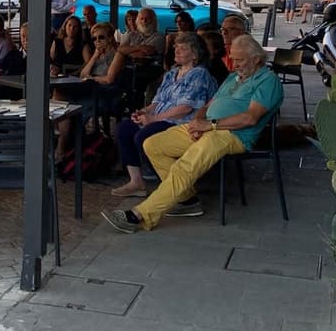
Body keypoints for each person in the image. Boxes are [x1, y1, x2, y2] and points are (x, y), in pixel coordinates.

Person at [101, 35, 282, 232]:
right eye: (233, 58)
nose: (235, 64)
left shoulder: (268, 81)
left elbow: (250, 118)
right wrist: (198, 121)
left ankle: (140, 215)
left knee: (185, 167)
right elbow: (208, 105)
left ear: (256, 59)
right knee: (152, 144)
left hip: (232, 134)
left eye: (240, 60)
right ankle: (187, 200)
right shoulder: (233, 77)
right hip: (208, 127)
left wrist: (209, 125)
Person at [112, 32, 217, 197]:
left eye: (183, 48)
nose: (177, 51)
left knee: (143, 135)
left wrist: (153, 119)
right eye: (176, 47)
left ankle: (169, 182)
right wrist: (144, 111)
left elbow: (185, 108)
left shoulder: (199, 74)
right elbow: (157, 101)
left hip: (180, 122)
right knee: (124, 128)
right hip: (160, 117)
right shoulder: (171, 73)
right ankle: (136, 182)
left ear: (195, 54)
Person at [53, 22, 125, 158]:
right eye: (94, 38)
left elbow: (109, 79)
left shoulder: (117, 54)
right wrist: (95, 55)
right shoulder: (97, 55)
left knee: (67, 106)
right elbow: (83, 75)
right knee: (59, 94)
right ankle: (60, 137)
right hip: (89, 90)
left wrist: (93, 78)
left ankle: (61, 145)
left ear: (110, 38)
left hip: (104, 94)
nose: (97, 41)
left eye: (101, 37)